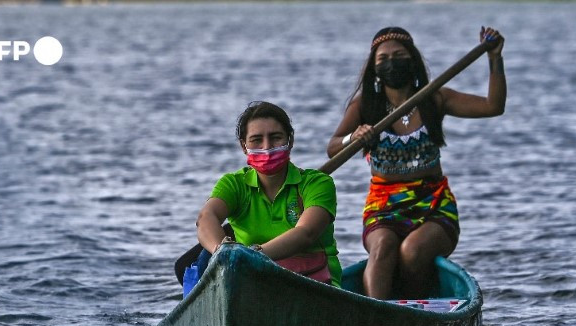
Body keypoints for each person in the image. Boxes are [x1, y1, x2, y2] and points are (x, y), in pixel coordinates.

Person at [325, 26, 505, 299]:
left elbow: (493, 106)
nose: (391, 62)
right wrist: (355, 136)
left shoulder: (434, 98)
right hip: (383, 206)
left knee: (412, 251)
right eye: (382, 59)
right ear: (374, 70)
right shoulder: (365, 106)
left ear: (413, 61)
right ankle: (378, 314)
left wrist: (494, 58)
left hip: (434, 204)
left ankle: (411, 311)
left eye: (398, 55)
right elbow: (333, 148)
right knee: (383, 246)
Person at [196, 101, 342, 287]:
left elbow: (306, 233)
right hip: (254, 281)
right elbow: (206, 217)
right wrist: (221, 251)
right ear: (244, 146)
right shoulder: (233, 184)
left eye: (275, 137)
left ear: (290, 141)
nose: (267, 147)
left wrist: (251, 255)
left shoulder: (317, 183)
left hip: (315, 282)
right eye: (257, 140)